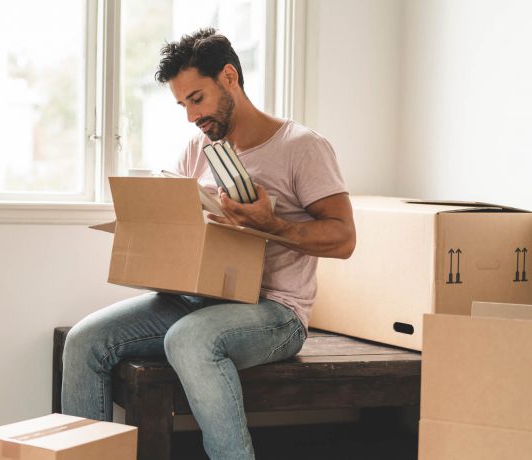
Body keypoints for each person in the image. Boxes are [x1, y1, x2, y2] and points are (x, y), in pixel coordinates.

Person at [61, 28, 356, 459]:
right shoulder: (198, 149)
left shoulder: (301, 147)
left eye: (196, 99)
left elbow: (345, 239)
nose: (190, 116)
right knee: (84, 340)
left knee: (189, 340)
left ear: (229, 77)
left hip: (275, 311)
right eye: (182, 104)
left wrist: (271, 225)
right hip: (199, 299)